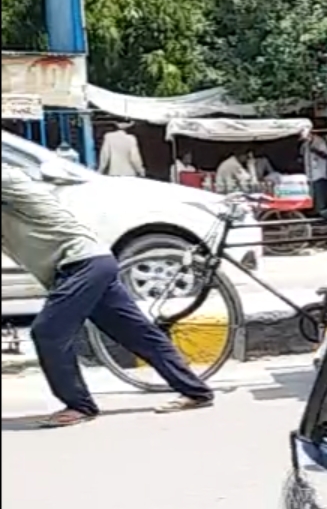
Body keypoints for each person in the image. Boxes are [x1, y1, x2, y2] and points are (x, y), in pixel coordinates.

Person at [2, 162, 215, 426]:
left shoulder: (8, 177)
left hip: (82, 264)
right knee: (137, 333)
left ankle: (79, 406)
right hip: (88, 264)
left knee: (48, 332)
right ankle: (197, 392)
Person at [303, 131, 327, 212]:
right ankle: (316, 210)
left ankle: (322, 211)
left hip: (319, 173)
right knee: (314, 194)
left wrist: (316, 151)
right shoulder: (306, 143)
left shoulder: (319, 142)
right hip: (311, 173)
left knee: (321, 195)